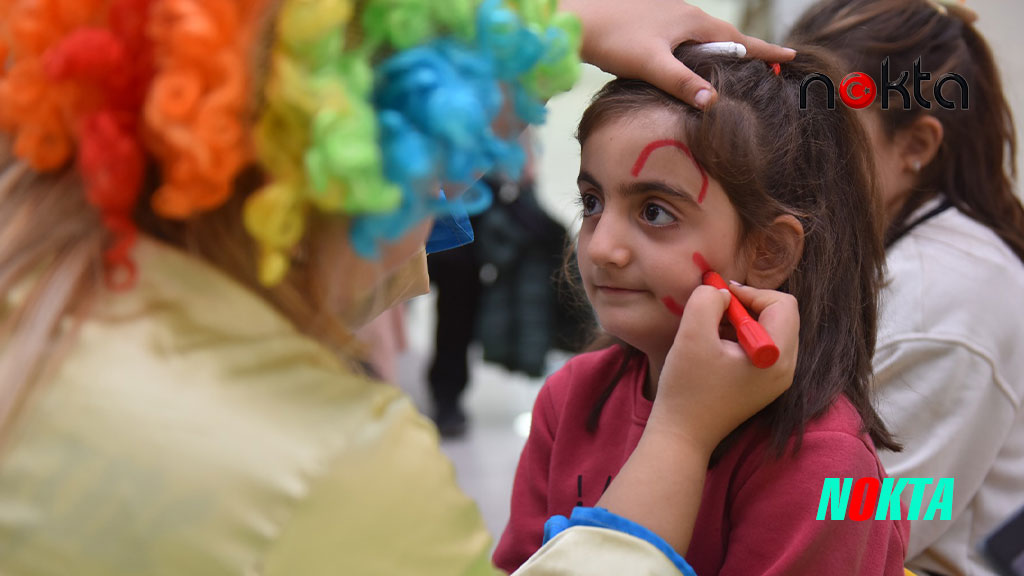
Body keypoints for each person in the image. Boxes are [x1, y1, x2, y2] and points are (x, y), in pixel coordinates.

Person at [0, 0, 798, 574]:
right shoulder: (330, 468)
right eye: (441, 186)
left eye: (656, 209)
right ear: (346, 175)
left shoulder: (35, 277)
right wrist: (682, 435)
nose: (445, 220)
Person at [494, 44, 910, 575]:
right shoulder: (571, 396)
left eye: (654, 211)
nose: (601, 248)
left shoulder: (826, 464)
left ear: (768, 252)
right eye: (592, 202)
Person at [787, 2, 1024, 575]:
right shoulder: (878, 249)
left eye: (826, 128)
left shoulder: (941, 302)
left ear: (915, 145)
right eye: (783, 116)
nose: (787, 150)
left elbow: (856, 529)